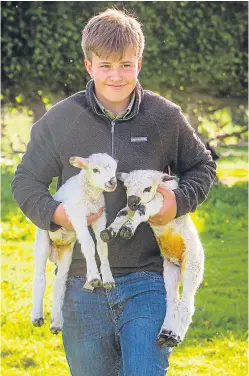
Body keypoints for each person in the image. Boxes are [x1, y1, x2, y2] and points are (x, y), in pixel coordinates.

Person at [11, 8, 216, 376]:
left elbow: (203, 166)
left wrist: (177, 201)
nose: (116, 76)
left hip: (148, 280)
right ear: (89, 65)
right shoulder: (61, 118)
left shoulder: (164, 116)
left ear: (139, 61)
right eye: (105, 65)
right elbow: (25, 180)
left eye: (126, 64)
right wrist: (55, 214)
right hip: (80, 284)